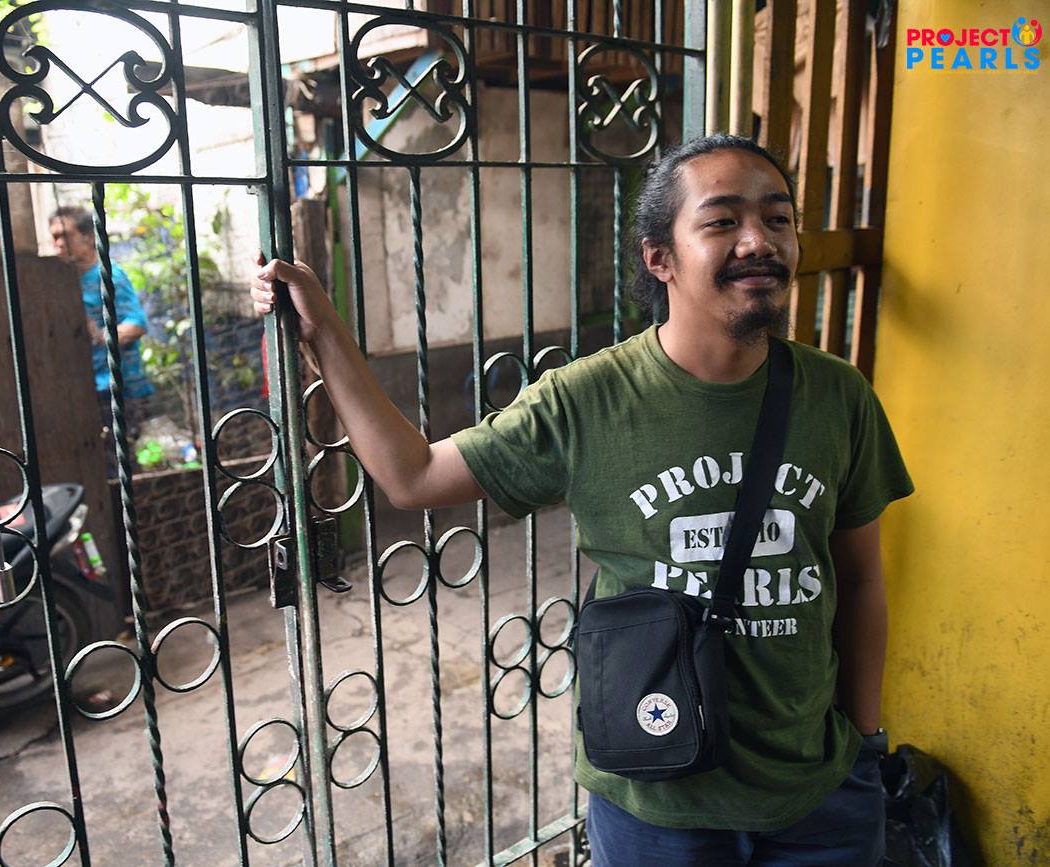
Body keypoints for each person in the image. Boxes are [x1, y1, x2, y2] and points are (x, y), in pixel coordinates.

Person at [250, 134, 913, 865]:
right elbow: (413, 476)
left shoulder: (838, 396)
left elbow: (860, 580)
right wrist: (324, 331)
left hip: (820, 797)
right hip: (656, 802)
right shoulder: (586, 401)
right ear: (660, 258)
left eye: (777, 219)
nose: (758, 240)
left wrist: (864, 743)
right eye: (723, 220)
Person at [49, 206, 154, 477]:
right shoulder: (61, 279)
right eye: (54, 237)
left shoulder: (109, 275)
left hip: (116, 387)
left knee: (117, 462)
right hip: (82, 386)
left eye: (65, 236)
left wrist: (98, 334)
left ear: (88, 237)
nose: (58, 244)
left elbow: (136, 324)